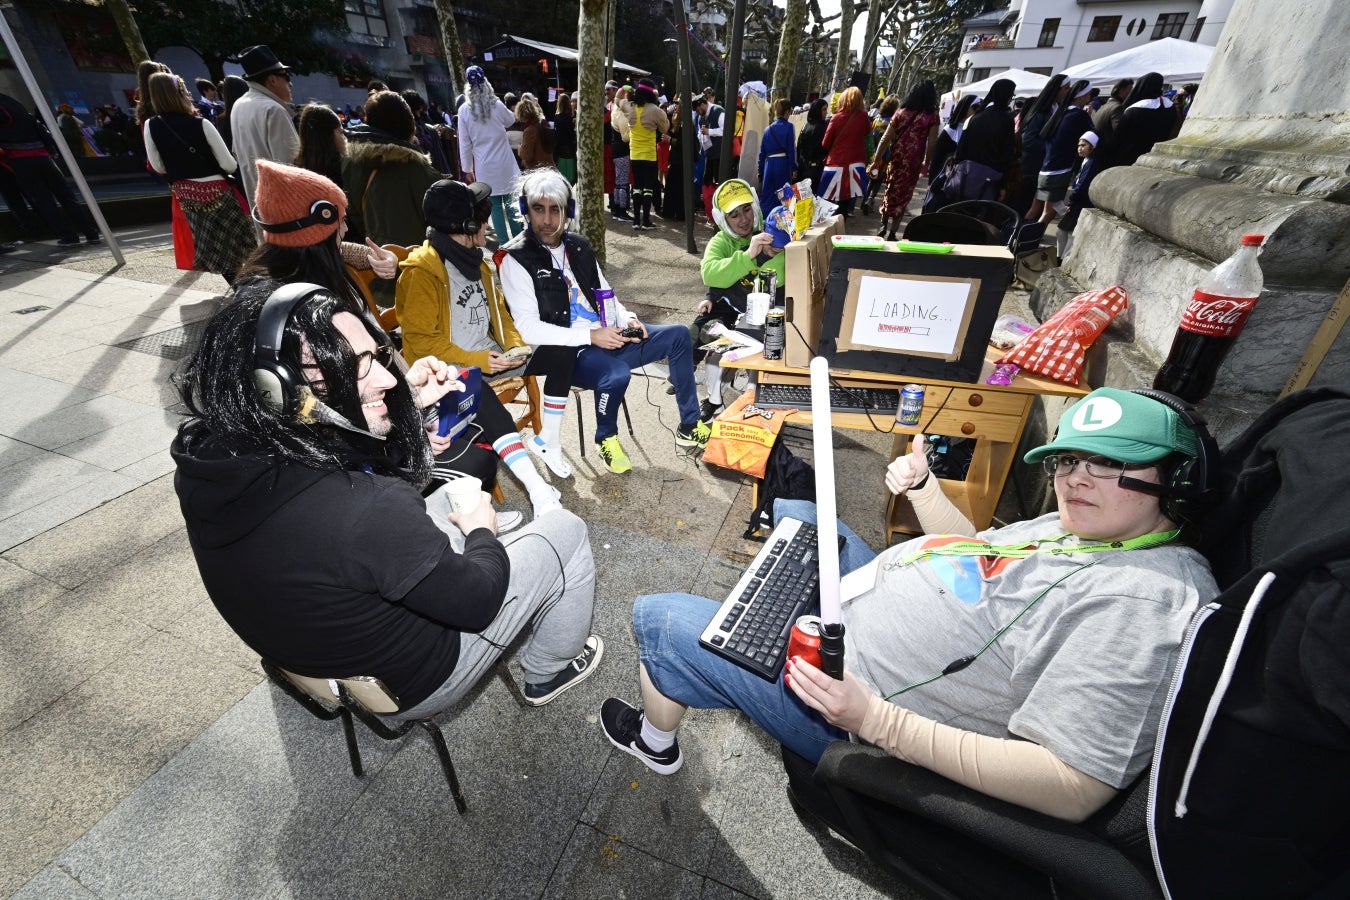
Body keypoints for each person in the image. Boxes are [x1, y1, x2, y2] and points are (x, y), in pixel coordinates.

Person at [600, 387, 1219, 824]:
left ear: (1179, 481)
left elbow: (1073, 787)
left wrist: (873, 720)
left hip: (857, 706)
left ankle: (656, 742)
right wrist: (924, 489)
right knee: (798, 514)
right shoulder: (1091, 524)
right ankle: (760, 630)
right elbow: (978, 554)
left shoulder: (1145, 604)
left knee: (661, 619)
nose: (1075, 479)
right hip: (863, 613)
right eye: (1070, 460)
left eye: (1110, 464)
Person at [172, 270, 605, 717]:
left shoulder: (209, 460)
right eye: (357, 365)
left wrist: (407, 406)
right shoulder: (367, 509)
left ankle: (487, 540)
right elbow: (478, 603)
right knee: (566, 530)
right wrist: (481, 533)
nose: (389, 378)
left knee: (448, 496)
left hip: (314, 653)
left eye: (375, 356)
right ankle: (549, 670)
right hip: (412, 678)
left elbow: (348, 469)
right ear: (279, 388)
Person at [497, 168, 709, 475]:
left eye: (555, 210)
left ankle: (689, 424)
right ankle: (606, 438)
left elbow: (606, 296)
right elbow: (528, 329)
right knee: (616, 373)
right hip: (566, 353)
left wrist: (629, 319)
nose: (547, 220)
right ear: (524, 210)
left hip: (605, 336)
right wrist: (591, 337)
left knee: (678, 335)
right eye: (538, 209)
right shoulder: (515, 258)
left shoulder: (578, 246)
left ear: (567, 211)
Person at [395, 178, 565, 519]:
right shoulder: (421, 273)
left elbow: (501, 314)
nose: (487, 226)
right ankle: (537, 488)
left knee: (562, 353)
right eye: (482, 220)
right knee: (479, 391)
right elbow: (422, 343)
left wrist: (515, 346)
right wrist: (479, 361)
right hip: (445, 369)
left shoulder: (477, 262)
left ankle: (548, 441)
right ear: (467, 225)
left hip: (490, 355)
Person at [142, 72, 255, 283]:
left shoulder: (151, 125)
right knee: (241, 240)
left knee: (213, 245)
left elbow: (157, 166)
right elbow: (228, 164)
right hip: (218, 191)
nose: (189, 96)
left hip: (187, 195)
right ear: (178, 94)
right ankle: (255, 283)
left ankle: (237, 286)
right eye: (185, 91)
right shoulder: (201, 124)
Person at [697, 179, 785, 418]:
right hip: (730, 308)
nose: (744, 219)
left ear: (755, 207)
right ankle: (713, 399)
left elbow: (781, 273)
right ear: (722, 219)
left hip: (763, 312)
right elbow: (709, 274)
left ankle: (754, 400)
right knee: (713, 348)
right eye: (734, 215)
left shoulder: (773, 233)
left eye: (747, 209)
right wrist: (749, 257)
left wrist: (769, 255)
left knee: (761, 351)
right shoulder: (720, 241)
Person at [342, 90, 442, 248]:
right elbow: (441, 221)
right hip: (417, 256)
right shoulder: (417, 169)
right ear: (408, 125)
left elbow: (353, 213)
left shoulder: (350, 161)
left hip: (376, 252)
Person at [0, 92, 100, 246]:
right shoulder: (14, 104)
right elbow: (38, 127)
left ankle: (69, 236)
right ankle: (90, 232)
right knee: (66, 196)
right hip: (43, 156)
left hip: (20, 160)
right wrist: (49, 148)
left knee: (44, 200)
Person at [456, 66, 521, 245]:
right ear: (486, 83)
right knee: (512, 203)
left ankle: (504, 244)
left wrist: (467, 169)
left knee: (495, 207)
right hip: (505, 163)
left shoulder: (464, 110)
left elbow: (464, 143)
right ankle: (520, 241)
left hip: (484, 166)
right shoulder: (496, 105)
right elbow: (511, 119)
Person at [869, 80, 940, 240]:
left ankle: (883, 224)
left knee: (890, 188)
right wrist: (926, 163)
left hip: (896, 157)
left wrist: (876, 160)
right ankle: (893, 232)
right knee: (904, 194)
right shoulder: (932, 116)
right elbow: (932, 142)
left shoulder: (901, 112)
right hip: (913, 161)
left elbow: (885, 138)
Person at [230, 45, 299, 208]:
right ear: (272, 80)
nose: (290, 84)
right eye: (286, 76)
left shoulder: (238, 105)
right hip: (283, 205)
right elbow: (291, 165)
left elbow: (236, 154)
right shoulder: (273, 109)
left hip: (256, 200)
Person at [1029, 79, 1094, 225]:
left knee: (1034, 209)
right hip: (1060, 171)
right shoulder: (1079, 115)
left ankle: (1016, 234)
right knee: (1048, 213)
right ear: (1083, 96)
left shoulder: (1061, 112)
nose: (1089, 98)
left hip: (1045, 169)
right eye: (1089, 94)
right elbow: (1092, 137)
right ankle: (1029, 238)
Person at [949, 78, 1018, 205]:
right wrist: (1003, 185)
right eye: (1012, 95)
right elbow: (1007, 155)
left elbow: (961, 148)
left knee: (957, 209)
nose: (1011, 99)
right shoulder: (1007, 120)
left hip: (965, 177)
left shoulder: (976, 117)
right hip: (989, 181)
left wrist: (955, 171)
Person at [1007, 74, 1067, 219]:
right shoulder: (1041, 111)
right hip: (1030, 168)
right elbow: (1028, 140)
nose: (1068, 91)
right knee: (1022, 208)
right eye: (1066, 88)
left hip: (1043, 168)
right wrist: (1052, 147)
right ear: (1057, 89)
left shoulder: (1056, 109)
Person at [1097, 73, 1179, 172]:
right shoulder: (1170, 107)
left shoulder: (1133, 110)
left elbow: (1118, 137)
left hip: (1129, 159)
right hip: (1158, 158)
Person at [623, 79, 670, 231]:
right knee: (648, 188)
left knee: (637, 187)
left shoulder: (630, 107)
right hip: (649, 155)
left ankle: (636, 220)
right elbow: (665, 128)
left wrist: (626, 89)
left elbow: (618, 99)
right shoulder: (654, 110)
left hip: (634, 154)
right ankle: (646, 221)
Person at [819, 86, 870, 217]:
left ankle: (826, 226)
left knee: (826, 202)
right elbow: (867, 132)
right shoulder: (864, 117)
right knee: (845, 203)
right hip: (855, 166)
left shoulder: (836, 117)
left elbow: (825, 143)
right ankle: (840, 227)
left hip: (835, 164)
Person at [1056, 131, 1099, 262]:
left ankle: (1063, 260)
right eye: (1079, 145)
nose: (1080, 148)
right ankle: (1059, 257)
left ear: (1092, 146)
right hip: (1076, 201)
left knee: (1071, 234)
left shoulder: (1092, 162)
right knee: (1061, 231)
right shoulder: (1085, 161)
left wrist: (1071, 200)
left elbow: (1083, 184)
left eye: (1083, 145)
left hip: (1081, 202)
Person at [928, 94, 980, 192]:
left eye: (979, 108)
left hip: (961, 181)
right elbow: (937, 157)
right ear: (965, 107)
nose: (977, 111)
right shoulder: (949, 130)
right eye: (975, 107)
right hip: (943, 180)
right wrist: (931, 182)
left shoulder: (973, 130)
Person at [757, 99, 797, 218]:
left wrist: (760, 171)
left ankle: (764, 221)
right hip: (783, 165)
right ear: (787, 112)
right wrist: (794, 168)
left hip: (769, 165)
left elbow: (762, 153)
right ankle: (785, 222)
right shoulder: (789, 127)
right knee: (785, 197)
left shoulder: (767, 129)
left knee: (767, 196)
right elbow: (791, 150)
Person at [692, 93, 726, 223]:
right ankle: (710, 214)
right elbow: (700, 134)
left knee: (719, 183)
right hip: (709, 154)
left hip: (720, 155)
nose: (698, 113)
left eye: (698, 110)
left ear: (702, 104)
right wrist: (701, 135)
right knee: (706, 182)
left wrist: (710, 132)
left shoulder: (718, 111)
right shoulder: (701, 117)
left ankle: (721, 215)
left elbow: (726, 129)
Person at [294, 103, 345, 185]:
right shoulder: (343, 175)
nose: (345, 138)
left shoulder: (296, 174)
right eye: (341, 132)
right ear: (328, 137)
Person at [794, 98, 829, 196]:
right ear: (817, 111)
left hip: (803, 169)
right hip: (816, 171)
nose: (826, 112)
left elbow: (799, 148)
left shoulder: (805, 126)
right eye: (824, 109)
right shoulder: (821, 128)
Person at [658, 101, 685, 221]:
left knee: (677, 188)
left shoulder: (685, 125)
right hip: (676, 160)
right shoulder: (677, 124)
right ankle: (671, 212)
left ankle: (677, 213)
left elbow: (683, 144)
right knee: (672, 186)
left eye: (676, 110)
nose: (674, 112)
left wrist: (670, 140)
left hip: (680, 161)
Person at [1091, 78, 1134, 150]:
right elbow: (1120, 133)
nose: (1131, 94)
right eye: (1130, 91)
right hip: (1106, 151)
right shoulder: (1117, 107)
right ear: (1121, 91)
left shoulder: (1104, 106)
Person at [515, 94, 555, 172]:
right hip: (549, 166)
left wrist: (520, 150)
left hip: (537, 170)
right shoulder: (543, 123)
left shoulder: (529, 130)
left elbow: (527, 156)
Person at [553, 93, 577, 183]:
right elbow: (571, 134)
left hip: (559, 149)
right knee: (570, 176)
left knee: (562, 176)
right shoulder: (569, 118)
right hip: (569, 149)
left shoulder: (557, 117)